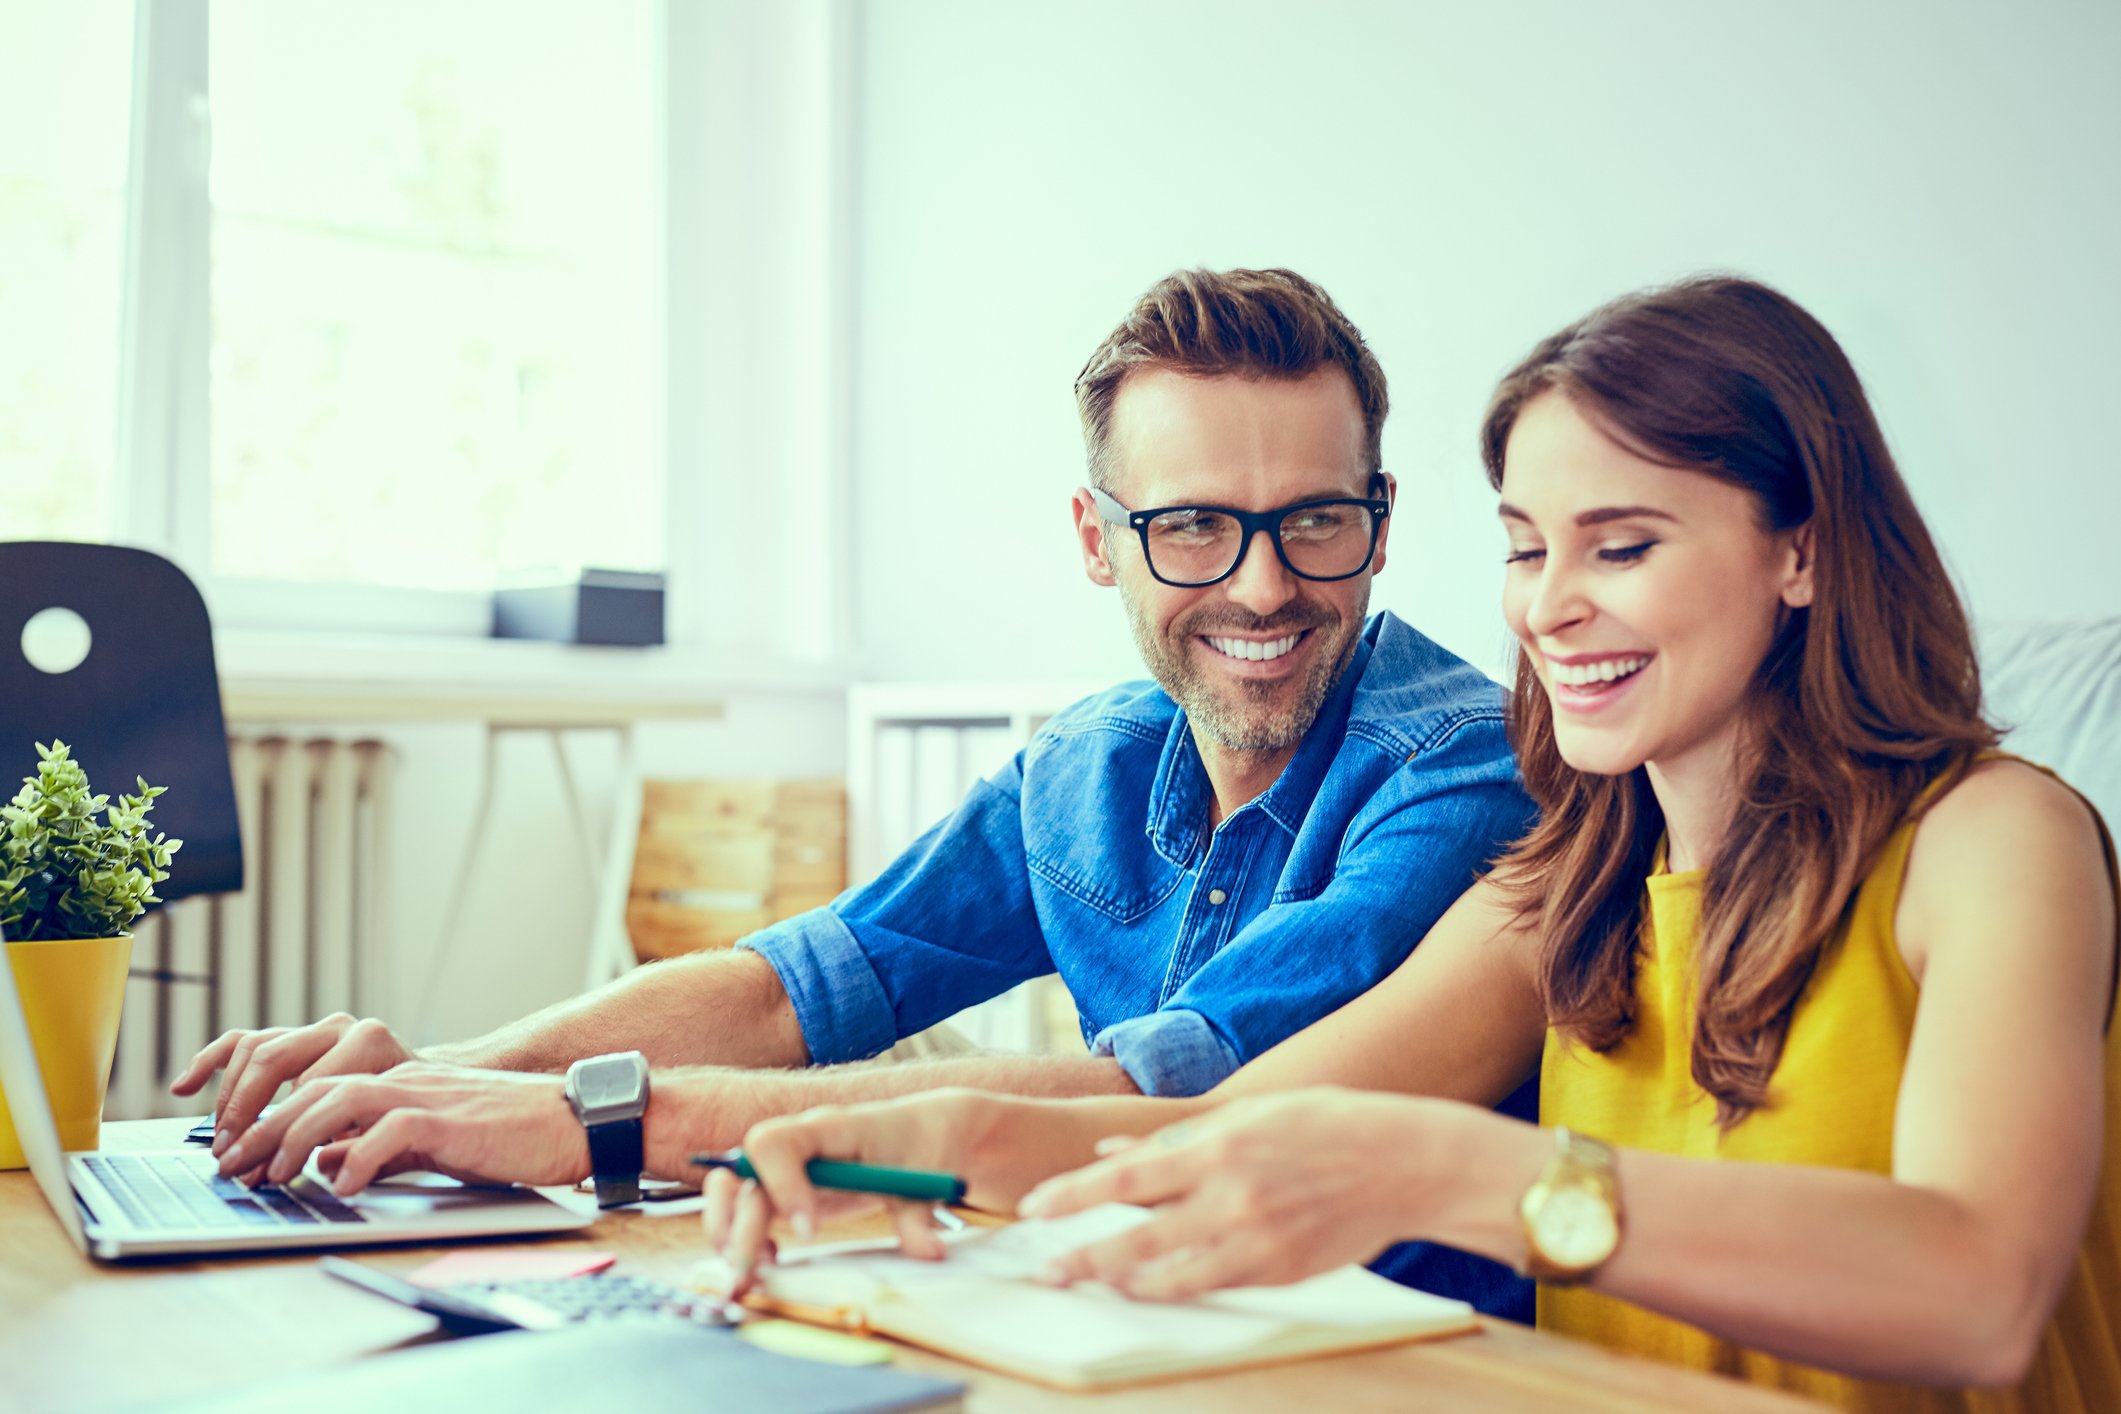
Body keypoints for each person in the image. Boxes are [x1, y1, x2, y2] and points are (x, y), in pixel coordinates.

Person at [706, 276, 2120, 1412]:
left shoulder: (1995, 843)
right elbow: (1220, 1125)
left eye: (1618, 546)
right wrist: (916, 1138)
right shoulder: (1569, 881)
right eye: (1524, 546)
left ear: (1798, 551)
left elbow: (1976, 1291)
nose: (1548, 607)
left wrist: (1451, 1172)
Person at [178, 268, 1539, 1316]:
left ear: (1380, 517)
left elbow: (1177, 1084)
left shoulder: (1464, 765)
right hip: (1139, 1317)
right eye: (1189, 524)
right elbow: (795, 986)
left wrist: (594, 1115)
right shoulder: (1085, 763)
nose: (1260, 583)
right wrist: (435, 1075)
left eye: (1313, 518)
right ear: (1095, 537)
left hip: (1393, 1349)